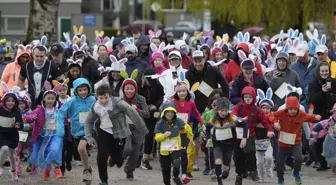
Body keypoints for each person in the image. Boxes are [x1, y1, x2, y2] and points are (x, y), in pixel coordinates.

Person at [84, 84, 148, 185]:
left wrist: (143, 129)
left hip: (119, 133)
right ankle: (104, 181)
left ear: (110, 95)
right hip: (103, 132)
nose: (104, 100)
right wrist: (89, 138)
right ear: (97, 97)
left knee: (118, 160)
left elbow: (132, 112)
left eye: (106, 97)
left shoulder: (118, 103)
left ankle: (118, 159)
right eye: (101, 98)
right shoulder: (95, 106)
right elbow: (88, 122)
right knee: (101, 156)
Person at [271, 96, 321, 185]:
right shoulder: (282, 112)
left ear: (298, 108)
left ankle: (296, 172)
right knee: (280, 162)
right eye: (290, 109)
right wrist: (275, 122)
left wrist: (316, 117)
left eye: (295, 109)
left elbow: (309, 117)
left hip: (296, 141)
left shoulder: (301, 114)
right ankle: (280, 178)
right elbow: (271, 115)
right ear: (287, 108)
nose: (292, 111)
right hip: (283, 142)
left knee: (299, 158)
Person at [56, 78, 96, 183]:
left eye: (85, 89)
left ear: (89, 89)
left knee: (81, 149)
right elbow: (60, 114)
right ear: (76, 91)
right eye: (80, 90)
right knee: (80, 151)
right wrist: (60, 129)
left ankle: (86, 170)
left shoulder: (93, 100)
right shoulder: (72, 101)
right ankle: (88, 169)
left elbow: (101, 112)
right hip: (76, 132)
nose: (83, 92)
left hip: (90, 131)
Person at [231, 86, 274, 184]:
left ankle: (253, 171)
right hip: (237, 134)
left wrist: (270, 130)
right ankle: (241, 172)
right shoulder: (238, 106)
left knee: (249, 151)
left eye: (250, 97)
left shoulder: (257, 110)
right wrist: (237, 119)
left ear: (254, 98)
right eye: (245, 97)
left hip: (250, 134)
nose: (248, 99)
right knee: (238, 156)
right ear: (242, 97)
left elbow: (265, 122)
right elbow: (233, 115)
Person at [24, 81, 64, 181]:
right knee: (44, 152)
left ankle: (57, 168)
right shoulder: (39, 109)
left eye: (52, 98)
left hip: (55, 134)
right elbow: (30, 116)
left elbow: (65, 116)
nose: (50, 100)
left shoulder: (58, 109)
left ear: (55, 99)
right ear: (44, 99)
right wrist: (29, 117)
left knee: (55, 149)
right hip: (43, 135)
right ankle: (47, 169)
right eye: (48, 98)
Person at [206, 97, 248, 185]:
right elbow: (208, 127)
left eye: (226, 110)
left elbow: (244, 124)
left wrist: (244, 138)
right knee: (217, 161)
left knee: (225, 167)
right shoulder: (214, 119)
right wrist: (208, 138)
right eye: (221, 110)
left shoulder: (232, 118)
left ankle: (226, 170)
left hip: (229, 145)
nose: (224, 113)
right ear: (217, 110)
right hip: (217, 144)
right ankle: (219, 181)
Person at [119, 69, 150, 180]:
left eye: (131, 88)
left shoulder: (141, 99)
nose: (129, 91)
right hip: (126, 128)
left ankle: (129, 171)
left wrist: (137, 110)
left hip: (138, 129)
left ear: (135, 89)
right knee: (127, 149)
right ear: (123, 90)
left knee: (135, 154)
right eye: (127, 89)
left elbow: (147, 113)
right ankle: (117, 156)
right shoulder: (120, 101)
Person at [308, 61, 336, 171]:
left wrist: (330, 94)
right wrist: (322, 92)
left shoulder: (334, 82)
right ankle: (322, 163)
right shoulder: (313, 83)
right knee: (318, 139)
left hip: (332, 116)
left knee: (332, 139)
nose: (324, 73)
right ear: (319, 72)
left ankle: (333, 162)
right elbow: (312, 100)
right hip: (319, 115)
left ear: (329, 71)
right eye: (322, 71)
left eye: (326, 71)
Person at [155, 101, 189, 185]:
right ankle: (167, 182)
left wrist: (190, 137)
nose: (169, 114)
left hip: (175, 148)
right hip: (164, 150)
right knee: (165, 169)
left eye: (172, 112)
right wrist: (163, 136)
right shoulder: (160, 123)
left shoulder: (179, 121)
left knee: (177, 162)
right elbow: (157, 138)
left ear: (174, 113)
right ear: (164, 112)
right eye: (167, 112)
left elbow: (187, 129)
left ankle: (175, 176)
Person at [138, 69, 164, 170]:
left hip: (152, 112)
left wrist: (155, 106)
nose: (150, 82)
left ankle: (145, 158)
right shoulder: (140, 86)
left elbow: (161, 97)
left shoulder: (158, 85)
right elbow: (137, 98)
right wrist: (144, 107)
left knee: (149, 135)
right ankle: (137, 156)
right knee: (138, 134)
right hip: (141, 111)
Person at [0, 83, 23, 181]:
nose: (10, 103)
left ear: (15, 102)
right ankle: (0, 166)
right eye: (8, 101)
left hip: (12, 135)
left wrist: (18, 125)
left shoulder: (17, 112)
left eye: (12, 101)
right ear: (4, 101)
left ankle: (13, 172)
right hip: (1, 134)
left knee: (11, 156)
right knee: (4, 149)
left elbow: (20, 122)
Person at [255, 88, 275, 182]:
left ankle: (269, 169)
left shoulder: (272, 118)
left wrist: (274, 127)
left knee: (269, 157)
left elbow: (275, 124)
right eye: (263, 108)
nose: (265, 110)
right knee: (259, 162)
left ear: (270, 109)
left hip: (268, 142)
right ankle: (261, 177)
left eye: (267, 108)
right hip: (257, 142)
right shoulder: (256, 118)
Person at [310, 103, 336, 173]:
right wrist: (314, 138)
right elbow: (317, 127)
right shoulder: (329, 122)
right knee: (327, 153)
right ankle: (333, 166)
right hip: (330, 139)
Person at [14, 90, 35, 176]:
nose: (20, 105)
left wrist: (25, 126)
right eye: (18, 103)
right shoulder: (15, 113)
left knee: (31, 152)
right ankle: (17, 169)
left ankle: (32, 167)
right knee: (16, 152)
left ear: (27, 103)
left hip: (29, 136)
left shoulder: (31, 112)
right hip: (18, 136)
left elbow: (33, 124)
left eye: (22, 103)